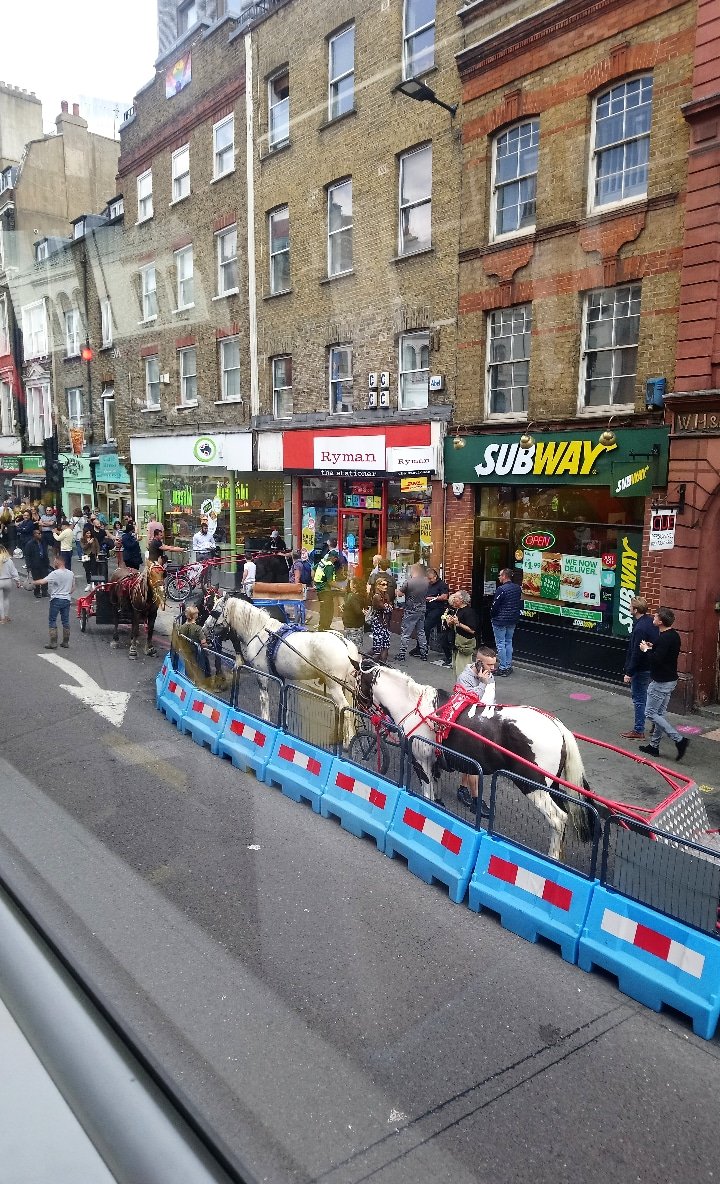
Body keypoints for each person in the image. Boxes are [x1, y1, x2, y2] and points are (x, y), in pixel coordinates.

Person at [639, 608, 690, 762]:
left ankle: (679, 739)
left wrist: (645, 649)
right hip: (670, 680)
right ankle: (654, 746)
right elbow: (665, 654)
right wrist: (653, 647)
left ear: (660, 621)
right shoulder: (673, 635)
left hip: (660, 682)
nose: (653, 618)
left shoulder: (665, 638)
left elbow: (656, 660)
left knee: (650, 713)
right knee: (659, 714)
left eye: (655, 616)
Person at [455, 646, 498, 810]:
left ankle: (462, 788)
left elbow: (490, 697)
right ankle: (477, 801)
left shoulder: (489, 674)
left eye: (494, 665)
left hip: (483, 723)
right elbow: (468, 701)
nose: (493, 669)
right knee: (474, 763)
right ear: (479, 663)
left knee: (469, 762)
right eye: (489, 665)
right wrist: (482, 683)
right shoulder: (464, 678)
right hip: (467, 725)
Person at [621, 596, 659, 740]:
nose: (629, 608)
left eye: (630, 606)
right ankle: (656, 722)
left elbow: (636, 653)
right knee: (649, 698)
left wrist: (629, 672)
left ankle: (638, 730)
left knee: (639, 699)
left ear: (635, 610)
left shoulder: (640, 628)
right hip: (651, 666)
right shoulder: (650, 622)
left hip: (641, 669)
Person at [33, 554, 75, 649]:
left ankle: (53, 642)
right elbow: (73, 588)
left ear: (59, 561)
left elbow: (43, 581)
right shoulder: (71, 573)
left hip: (56, 599)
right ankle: (65, 642)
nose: (54, 562)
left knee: (52, 620)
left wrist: (33, 582)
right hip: (66, 599)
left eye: (55, 561)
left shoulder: (55, 573)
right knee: (65, 621)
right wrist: (67, 592)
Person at [490, 568, 522, 675]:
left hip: (500, 620)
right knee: (508, 642)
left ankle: (503, 667)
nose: (499, 577)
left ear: (504, 576)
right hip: (512, 619)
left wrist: (492, 615)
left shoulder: (501, 589)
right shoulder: (517, 588)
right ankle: (508, 665)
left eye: (500, 575)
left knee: (500, 643)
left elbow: (495, 605)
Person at [412, 566, 449, 657]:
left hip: (437, 609)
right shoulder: (427, 584)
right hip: (426, 608)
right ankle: (419, 648)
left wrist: (434, 598)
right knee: (421, 627)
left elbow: (445, 596)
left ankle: (423, 649)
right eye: (427, 579)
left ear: (435, 576)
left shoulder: (442, 585)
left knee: (425, 627)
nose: (429, 580)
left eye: (430, 579)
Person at [396, 563, 429, 662]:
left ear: (414, 570)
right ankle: (424, 653)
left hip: (411, 610)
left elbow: (400, 594)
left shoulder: (409, 582)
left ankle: (402, 654)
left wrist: (396, 590)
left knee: (406, 633)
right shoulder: (426, 581)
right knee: (421, 632)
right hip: (422, 609)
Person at [444, 590, 479, 678]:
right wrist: (450, 623)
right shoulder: (457, 610)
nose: (453, 598)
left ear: (462, 599)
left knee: (463, 671)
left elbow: (472, 630)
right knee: (456, 670)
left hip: (465, 645)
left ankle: (465, 690)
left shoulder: (469, 612)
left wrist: (458, 624)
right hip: (457, 644)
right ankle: (459, 689)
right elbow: (455, 627)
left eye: (455, 597)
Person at [369, 574, 394, 664]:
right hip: (378, 623)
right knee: (377, 648)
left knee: (386, 645)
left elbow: (390, 608)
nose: (385, 586)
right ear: (378, 585)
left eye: (386, 584)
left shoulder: (386, 595)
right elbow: (386, 608)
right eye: (383, 584)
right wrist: (387, 607)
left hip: (385, 624)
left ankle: (383, 664)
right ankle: (365, 659)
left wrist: (388, 607)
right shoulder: (376, 596)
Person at [313, 546, 339, 630]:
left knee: (323, 607)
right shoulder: (329, 566)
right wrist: (340, 588)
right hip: (325, 590)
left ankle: (322, 625)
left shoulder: (322, 562)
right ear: (332, 558)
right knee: (328, 608)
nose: (336, 560)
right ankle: (325, 626)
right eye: (335, 558)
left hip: (319, 589)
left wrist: (315, 581)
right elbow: (330, 582)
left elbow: (313, 570)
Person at [25, 527, 51, 597]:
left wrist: (47, 563)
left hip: (43, 563)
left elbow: (45, 552)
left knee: (45, 578)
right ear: (34, 535)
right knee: (36, 578)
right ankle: (37, 592)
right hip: (35, 564)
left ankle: (45, 591)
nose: (40, 535)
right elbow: (27, 556)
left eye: (40, 533)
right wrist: (28, 566)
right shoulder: (30, 544)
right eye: (38, 533)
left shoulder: (43, 542)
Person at [342, 577, 366, 648]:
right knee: (357, 645)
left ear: (354, 585)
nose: (349, 585)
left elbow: (358, 611)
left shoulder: (352, 596)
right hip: (359, 625)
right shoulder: (361, 595)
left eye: (351, 583)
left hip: (352, 625)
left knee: (351, 647)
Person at [0, 545, 21, 622]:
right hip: (8, 581)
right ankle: (6, 616)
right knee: (6, 599)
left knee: (0, 600)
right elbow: (14, 571)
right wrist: (17, 580)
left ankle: (2, 618)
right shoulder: (9, 560)